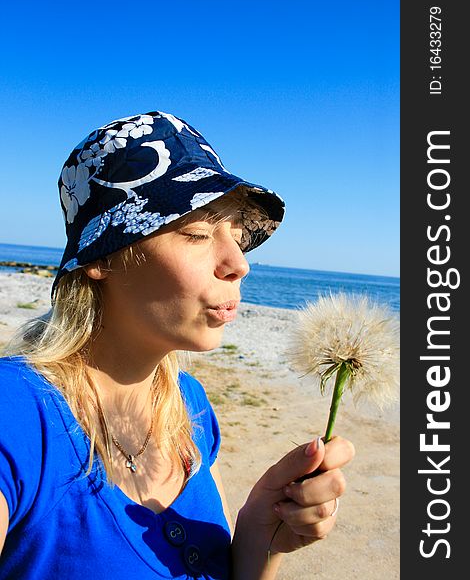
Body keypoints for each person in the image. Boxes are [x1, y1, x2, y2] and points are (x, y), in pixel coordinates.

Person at [0, 111, 354, 579]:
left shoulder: (191, 409)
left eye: (237, 236)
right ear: (103, 256)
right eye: (197, 233)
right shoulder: (17, 415)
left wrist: (259, 536)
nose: (237, 264)